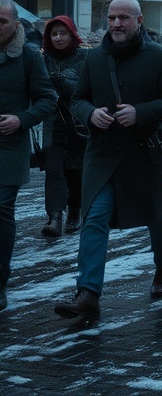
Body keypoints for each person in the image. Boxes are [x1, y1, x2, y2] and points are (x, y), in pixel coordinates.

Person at [54, 0, 162, 321]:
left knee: (157, 217)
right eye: (112, 17)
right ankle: (88, 293)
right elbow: (79, 99)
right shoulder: (94, 58)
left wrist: (141, 113)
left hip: (144, 153)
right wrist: (89, 113)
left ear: (138, 21)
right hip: (102, 155)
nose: (116, 23)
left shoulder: (160, 56)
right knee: (94, 219)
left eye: (124, 17)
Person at [0, 0, 57, 312]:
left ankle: (0, 281)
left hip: (9, 147)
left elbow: (48, 99)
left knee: (1, 210)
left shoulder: (28, 57)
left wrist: (21, 119)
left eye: (2, 21)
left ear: (16, 25)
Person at [40, 15, 89, 237]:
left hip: (78, 122)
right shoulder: (42, 59)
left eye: (63, 33)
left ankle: (75, 210)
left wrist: (68, 83)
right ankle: (55, 216)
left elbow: (88, 88)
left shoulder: (85, 57)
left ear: (72, 34)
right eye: (54, 34)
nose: (59, 38)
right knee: (54, 169)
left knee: (75, 171)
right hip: (52, 121)